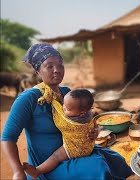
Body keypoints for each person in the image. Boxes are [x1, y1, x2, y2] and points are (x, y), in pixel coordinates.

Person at [1, 43, 132, 180]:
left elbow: (84, 118)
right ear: (38, 71)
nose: (57, 69)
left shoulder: (67, 94)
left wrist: (94, 131)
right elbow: (7, 138)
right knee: (98, 167)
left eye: (60, 64)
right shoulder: (29, 99)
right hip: (46, 165)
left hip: (73, 151)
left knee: (114, 158)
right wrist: (17, 172)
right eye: (49, 66)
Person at [23, 88, 96, 178]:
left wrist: (53, 101)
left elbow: (59, 118)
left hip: (77, 149)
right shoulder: (88, 114)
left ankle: (38, 171)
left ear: (81, 113)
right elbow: (94, 123)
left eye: (67, 108)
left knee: (56, 157)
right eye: (63, 104)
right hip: (89, 145)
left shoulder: (71, 122)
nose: (63, 107)